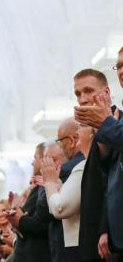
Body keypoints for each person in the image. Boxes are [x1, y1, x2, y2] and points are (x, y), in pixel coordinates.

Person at [74, 61, 123, 260]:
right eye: (78, 94)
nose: (83, 99)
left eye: (88, 91)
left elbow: (112, 184)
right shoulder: (92, 132)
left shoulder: (116, 125)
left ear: (106, 92)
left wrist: (105, 228)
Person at [41, 124, 96, 260]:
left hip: (78, 246)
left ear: (92, 135)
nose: (77, 132)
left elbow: (60, 208)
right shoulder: (86, 164)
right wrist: (57, 184)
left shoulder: (82, 167)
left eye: (82, 126)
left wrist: (50, 182)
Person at [7, 142, 52, 262]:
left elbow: (36, 223)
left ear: (44, 159)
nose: (32, 162)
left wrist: (18, 215)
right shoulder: (36, 189)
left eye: (35, 157)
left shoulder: (43, 189)